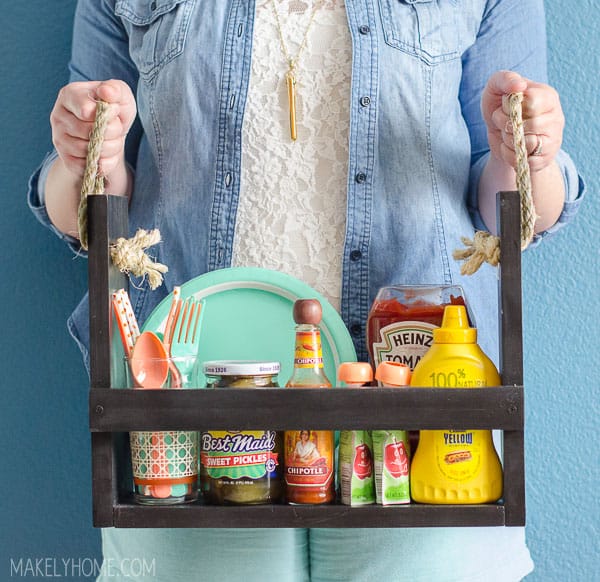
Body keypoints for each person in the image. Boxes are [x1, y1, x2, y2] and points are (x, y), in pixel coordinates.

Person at [28, 0, 584, 580]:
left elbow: (514, 213)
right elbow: (90, 211)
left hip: (420, 406)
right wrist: (83, 154)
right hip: (188, 414)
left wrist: (529, 155)